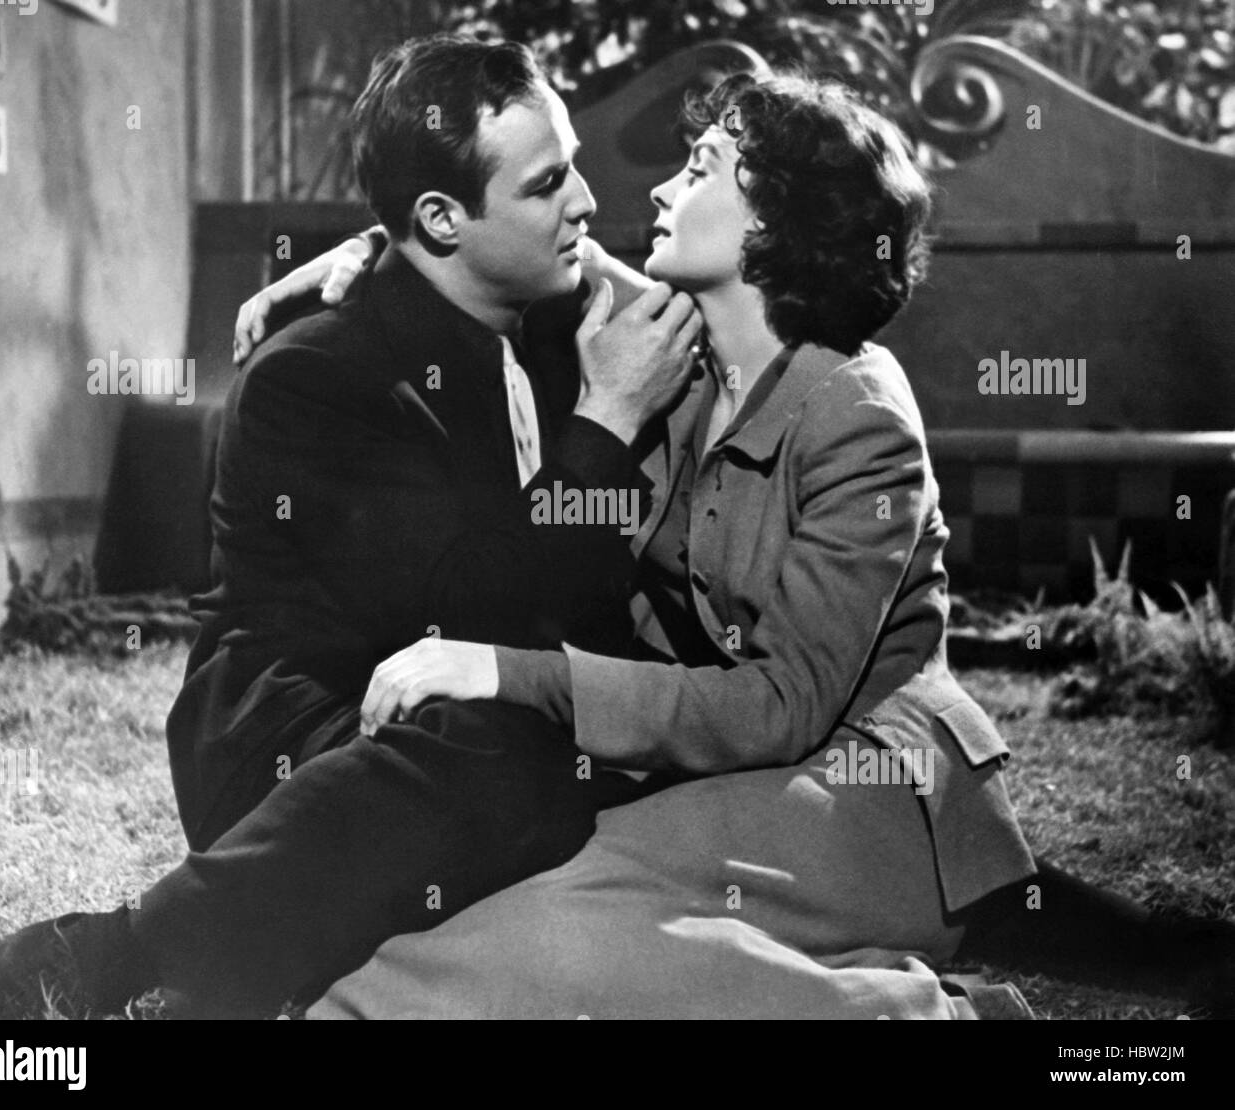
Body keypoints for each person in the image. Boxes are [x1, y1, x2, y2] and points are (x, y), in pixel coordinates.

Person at [244, 69, 1235, 1019]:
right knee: (560, 893)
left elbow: (779, 707)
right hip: (723, 775)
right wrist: (366, 254)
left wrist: (511, 673)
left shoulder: (858, 416)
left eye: (703, 167)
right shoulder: (674, 343)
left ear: (769, 226)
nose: (660, 189)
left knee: (570, 901)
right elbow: (487, 236)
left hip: (864, 783)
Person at [0, 34, 700, 1020]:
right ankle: (96, 961)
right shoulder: (319, 374)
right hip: (305, 739)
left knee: (595, 759)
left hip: (450, 721)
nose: (588, 207)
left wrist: (378, 239)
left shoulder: (551, 310)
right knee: (510, 744)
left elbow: (681, 293)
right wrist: (607, 427)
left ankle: (229, 968)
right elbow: (470, 613)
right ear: (442, 218)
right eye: (551, 182)